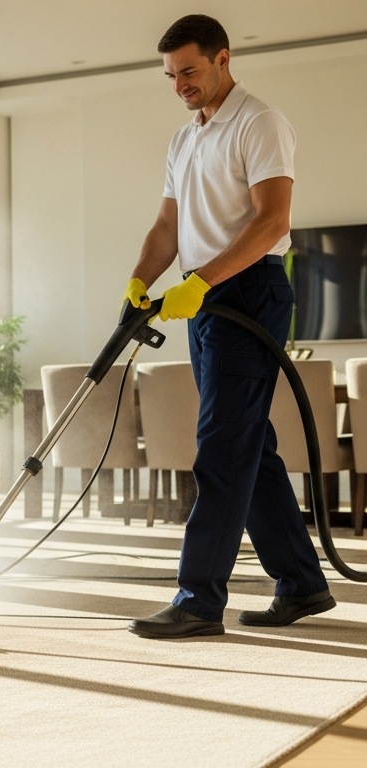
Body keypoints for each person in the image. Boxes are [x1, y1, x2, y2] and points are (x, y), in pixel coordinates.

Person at [124, 15, 333, 639]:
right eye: (170, 75)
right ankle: (301, 582)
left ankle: (198, 599)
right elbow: (167, 228)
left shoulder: (260, 122)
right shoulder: (184, 139)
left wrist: (201, 282)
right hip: (206, 298)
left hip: (246, 290)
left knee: (222, 443)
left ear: (222, 58)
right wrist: (139, 282)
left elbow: (271, 223)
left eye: (188, 71)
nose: (180, 84)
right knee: (248, 443)